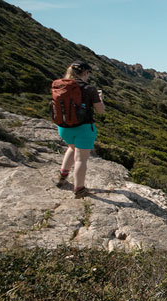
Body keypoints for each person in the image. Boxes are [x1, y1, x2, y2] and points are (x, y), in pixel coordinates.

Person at [54, 60, 105, 198]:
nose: (88, 76)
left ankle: (62, 177)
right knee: (81, 160)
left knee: (72, 148)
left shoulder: (61, 85)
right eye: (88, 73)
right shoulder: (89, 89)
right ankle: (79, 189)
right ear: (85, 72)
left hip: (64, 127)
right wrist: (100, 99)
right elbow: (100, 111)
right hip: (83, 129)